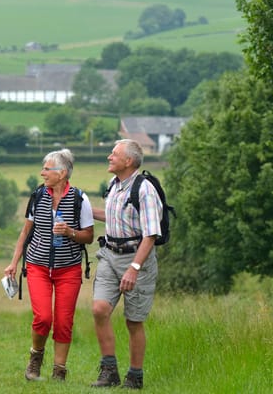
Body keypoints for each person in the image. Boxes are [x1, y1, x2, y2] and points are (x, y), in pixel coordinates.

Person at [4, 148, 95, 382]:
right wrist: (13, 263)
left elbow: (89, 236)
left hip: (69, 269)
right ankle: (36, 358)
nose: (42, 173)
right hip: (38, 266)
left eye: (47, 169)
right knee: (43, 318)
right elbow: (26, 232)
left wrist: (70, 232)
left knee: (64, 321)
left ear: (62, 173)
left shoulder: (79, 199)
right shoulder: (37, 196)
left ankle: (59, 371)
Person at [90, 139, 162, 390]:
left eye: (114, 154)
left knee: (133, 321)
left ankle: (135, 377)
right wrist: (80, 208)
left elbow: (151, 234)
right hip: (109, 254)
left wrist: (134, 268)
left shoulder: (144, 190)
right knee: (100, 309)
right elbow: (109, 216)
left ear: (128, 161)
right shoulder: (114, 185)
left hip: (136, 259)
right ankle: (109, 371)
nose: (109, 157)